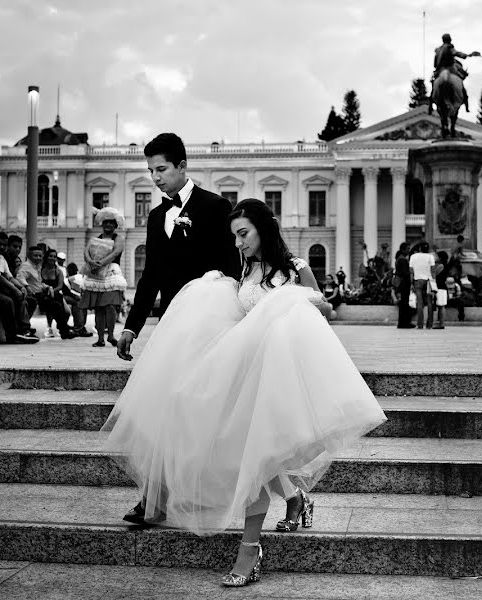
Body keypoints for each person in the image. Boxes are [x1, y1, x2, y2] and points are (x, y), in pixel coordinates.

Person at [102, 198, 386, 588]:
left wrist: (291, 300)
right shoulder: (245, 269)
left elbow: (325, 310)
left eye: (243, 234)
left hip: (278, 372)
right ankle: (295, 498)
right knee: (250, 450)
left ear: (262, 228)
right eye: (234, 236)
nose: (238, 243)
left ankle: (249, 550)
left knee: (255, 455)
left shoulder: (296, 268)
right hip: (245, 370)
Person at [117, 133, 238, 360]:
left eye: (161, 169)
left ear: (182, 166)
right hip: (170, 320)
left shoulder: (216, 206)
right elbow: (150, 275)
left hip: (209, 321)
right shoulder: (155, 217)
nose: (155, 177)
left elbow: (232, 268)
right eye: (151, 171)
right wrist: (131, 327)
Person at [82, 208, 128, 347]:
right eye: (106, 223)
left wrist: (101, 263)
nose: (108, 225)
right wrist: (91, 262)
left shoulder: (118, 238)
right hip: (95, 273)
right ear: (102, 224)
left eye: (111, 223)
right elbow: (86, 252)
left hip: (111, 273)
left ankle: (111, 335)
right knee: (99, 308)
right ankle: (101, 338)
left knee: (110, 306)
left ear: (115, 226)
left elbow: (115, 253)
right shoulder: (95, 238)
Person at [16, 245, 75, 340]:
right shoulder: (27, 266)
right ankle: (63, 330)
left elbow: (38, 282)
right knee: (55, 303)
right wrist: (26, 287)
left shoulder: (36, 267)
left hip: (41, 293)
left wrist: (48, 287)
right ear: (29, 255)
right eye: (35, 256)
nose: (38, 258)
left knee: (57, 300)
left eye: (40, 256)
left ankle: (63, 329)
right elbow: (20, 277)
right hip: (34, 294)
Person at [430, 33, 480, 113]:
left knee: (433, 84)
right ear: (449, 40)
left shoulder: (438, 50)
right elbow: (457, 53)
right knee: (460, 82)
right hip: (450, 68)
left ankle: (430, 104)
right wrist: (467, 55)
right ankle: (466, 102)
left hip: (440, 70)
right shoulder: (450, 47)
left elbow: (435, 64)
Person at [41, 247, 72, 338]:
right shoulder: (40, 269)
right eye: (50, 256)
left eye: (54, 256)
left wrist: (51, 291)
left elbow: (60, 286)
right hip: (43, 294)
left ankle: (62, 328)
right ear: (46, 257)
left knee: (65, 311)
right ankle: (56, 328)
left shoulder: (58, 271)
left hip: (55, 294)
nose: (53, 258)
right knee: (53, 305)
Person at [409, 241, 436, 329]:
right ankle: (429, 325)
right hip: (428, 281)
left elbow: (411, 272)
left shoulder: (413, 256)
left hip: (417, 280)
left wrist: (411, 283)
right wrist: (433, 283)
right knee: (429, 302)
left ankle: (420, 324)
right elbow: (433, 271)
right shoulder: (430, 256)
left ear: (420, 248)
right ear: (427, 249)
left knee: (419, 303)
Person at [63, 262, 91, 336]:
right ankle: (79, 328)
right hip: (63, 296)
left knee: (80, 304)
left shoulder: (75, 278)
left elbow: (77, 296)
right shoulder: (76, 278)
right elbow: (77, 296)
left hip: (70, 296)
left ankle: (80, 327)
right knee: (78, 304)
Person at [393, 243, 414, 328]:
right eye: (407, 249)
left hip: (401, 284)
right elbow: (405, 273)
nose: (409, 250)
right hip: (404, 284)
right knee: (404, 304)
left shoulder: (400, 259)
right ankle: (404, 323)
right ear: (403, 249)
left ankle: (403, 323)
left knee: (403, 304)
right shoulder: (403, 260)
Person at [433, 250, 449, 329]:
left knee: (441, 306)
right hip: (442, 287)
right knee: (440, 306)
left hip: (440, 287)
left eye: (436, 256)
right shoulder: (443, 265)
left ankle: (442, 324)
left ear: (440, 258)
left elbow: (434, 274)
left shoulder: (441, 266)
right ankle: (440, 323)